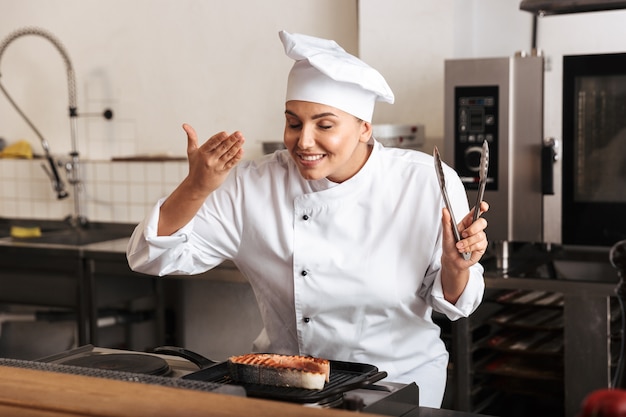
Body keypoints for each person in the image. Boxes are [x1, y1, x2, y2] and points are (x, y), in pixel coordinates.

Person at [127, 30, 489, 408]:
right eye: (294, 123)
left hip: (398, 384)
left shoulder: (423, 180)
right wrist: (196, 187)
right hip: (284, 385)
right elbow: (150, 257)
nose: (303, 141)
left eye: (325, 125)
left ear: (365, 127)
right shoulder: (254, 185)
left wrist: (455, 266)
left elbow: (455, 303)